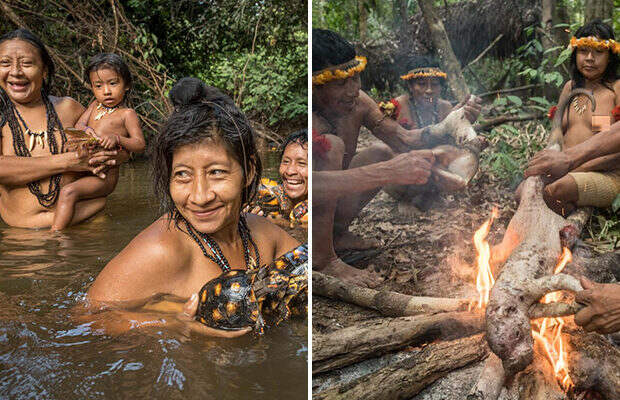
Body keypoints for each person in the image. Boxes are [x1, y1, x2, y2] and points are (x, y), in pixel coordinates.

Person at [84, 78, 301, 337]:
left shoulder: (264, 234)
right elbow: (86, 320)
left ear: (250, 170)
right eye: (183, 175)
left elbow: (309, 269)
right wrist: (177, 323)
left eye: (217, 172)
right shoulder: (160, 250)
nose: (200, 196)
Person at [312, 29, 481, 287]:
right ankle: (322, 258)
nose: (353, 91)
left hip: (336, 198)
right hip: (308, 205)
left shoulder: (359, 102)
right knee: (331, 146)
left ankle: (336, 234)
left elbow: (403, 139)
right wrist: (388, 172)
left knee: (379, 152)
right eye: (340, 84)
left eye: (355, 79)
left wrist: (449, 126)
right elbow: (311, 185)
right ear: (314, 84)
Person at [0, 29, 125, 229]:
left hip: (86, 226)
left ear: (44, 70)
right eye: (5, 63)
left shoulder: (69, 108)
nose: (15, 71)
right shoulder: (2, 117)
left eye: (27, 63)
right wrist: (68, 162)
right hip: (21, 242)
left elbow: (114, 155)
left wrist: (107, 153)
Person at [525, 20, 620, 215]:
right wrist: (550, 156)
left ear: (610, 56)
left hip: (608, 175)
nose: (590, 58)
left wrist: (574, 164)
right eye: (583, 51)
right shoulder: (570, 87)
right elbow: (557, 131)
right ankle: (570, 212)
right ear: (575, 53)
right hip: (566, 171)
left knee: (555, 191)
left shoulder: (617, 88)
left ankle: (572, 214)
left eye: (598, 52)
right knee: (522, 193)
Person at [51, 53, 145, 231]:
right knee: (61, 186)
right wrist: (86, 131)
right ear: (92, 88)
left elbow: (140, 144)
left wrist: (117, 138)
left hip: (104, 177)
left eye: (113, 83)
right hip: (85, 169)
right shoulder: (94, 105)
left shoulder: (127, 114)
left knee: (68, 192)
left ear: (127, 85)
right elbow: (79, 124)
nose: (106, 91)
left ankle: (56, 236)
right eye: (98, 85)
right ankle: (88, 222)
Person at [381, 56, 481, 211]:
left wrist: (464, 121)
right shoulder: (395, 107)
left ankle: (430, 197)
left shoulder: (445, 107)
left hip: (433, 171)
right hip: (401, 171)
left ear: (441, 87)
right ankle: (406, 199)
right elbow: (389, 144)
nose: (429, 90)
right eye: (422, 84)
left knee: (459, 153)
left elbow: (451, 144)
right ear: (410, 85)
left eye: (434, 84)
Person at [253, 129, 308, 225]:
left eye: (301, 163)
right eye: (285, 161)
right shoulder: (268, 192)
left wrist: (278, 223)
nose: (290, 171)